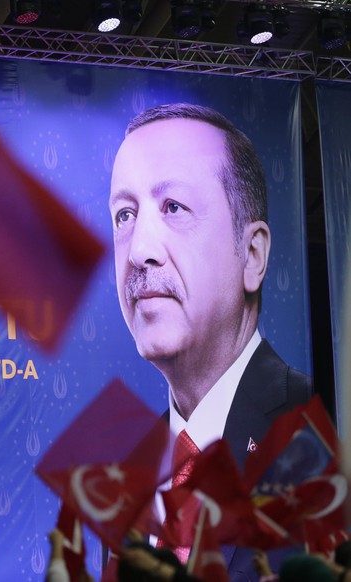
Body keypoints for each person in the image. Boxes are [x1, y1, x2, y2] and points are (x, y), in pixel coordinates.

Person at [108, 103, 312, 578]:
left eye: (174, 208)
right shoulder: (129, 477)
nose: (139, 250)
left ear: (254, 255)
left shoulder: (320, 429)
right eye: (124, 215)